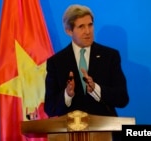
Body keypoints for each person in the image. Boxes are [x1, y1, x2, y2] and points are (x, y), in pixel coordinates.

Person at [44, 4, 129, 141]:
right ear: (69, 31)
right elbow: (50, 107)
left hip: (105, 132)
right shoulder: (56, 62)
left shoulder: (110, 56)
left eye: (90, 25)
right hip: (68, 135)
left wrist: (96, 89)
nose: (88, 31)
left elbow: (122, 98)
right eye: (81, 27)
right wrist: (67, 94)